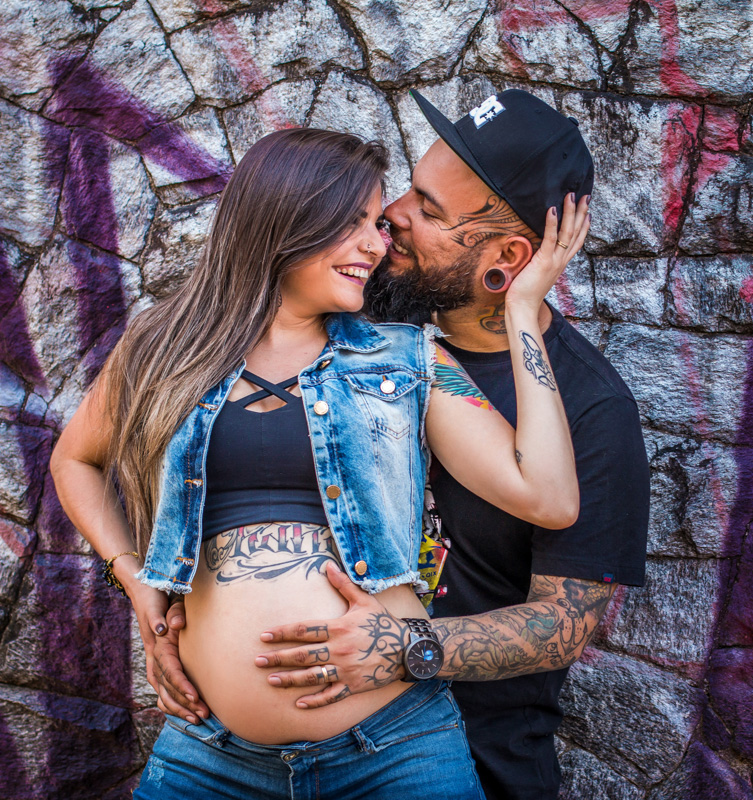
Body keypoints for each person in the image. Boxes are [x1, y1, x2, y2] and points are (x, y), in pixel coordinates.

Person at [49, 126, 590, 798]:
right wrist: (137, 582)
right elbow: (75, 461)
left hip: (395, 749)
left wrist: (522, 311)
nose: (377, 244)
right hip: (209, 754)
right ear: (286, 220)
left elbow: (549, 496)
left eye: (376, 224)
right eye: (353, 223)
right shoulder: (163, 348)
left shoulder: (407, 359)